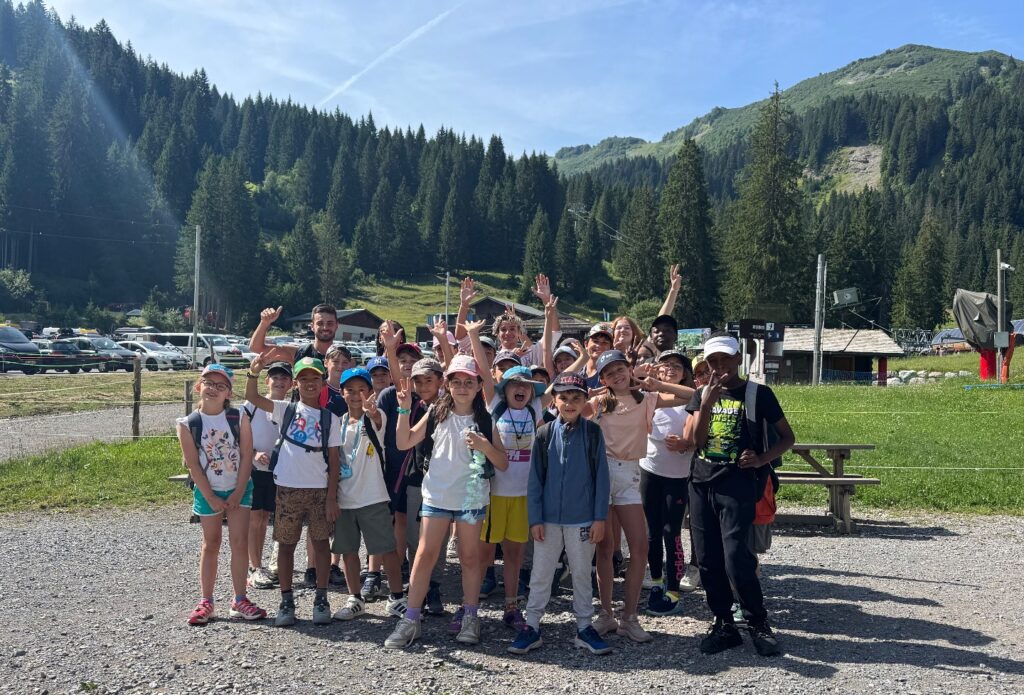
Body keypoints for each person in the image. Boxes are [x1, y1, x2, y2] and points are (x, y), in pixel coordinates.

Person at [385, 355, 507, 649]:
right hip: (437, 495)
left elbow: (502, 462)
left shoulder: (485, 419)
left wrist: (484, 445)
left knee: (469, 557)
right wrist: (403, 409)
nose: (462, 387)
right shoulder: (436, 411)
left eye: (469, 382)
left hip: (470, 498)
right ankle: (411, 619)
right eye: (456, 382)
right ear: (447, 385)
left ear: (479, 385)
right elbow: (404, 442)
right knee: (425, 554)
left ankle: (470, 616)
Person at [684, 333, 794, 657]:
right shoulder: (701, 394)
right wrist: (704, 404)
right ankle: (723, 623)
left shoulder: (758, 394)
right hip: (702, 483)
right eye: (712, 362)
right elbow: (695, 441)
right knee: (707, 558)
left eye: (725, 360)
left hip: (739, 485)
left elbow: (788, 437)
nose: (720, 367)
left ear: (738, 360)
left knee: (736, 557)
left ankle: (758, 621)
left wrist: (762, 458)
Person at [584, 349, 694, 643]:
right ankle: (606, 614)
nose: (617, 376)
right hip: (603, 473)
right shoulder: (599, 403)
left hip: (631, 473)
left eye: (621, 369)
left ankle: (629, 617)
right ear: (604, 379)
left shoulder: (648, 399)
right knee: (605, 549)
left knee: (640, 548)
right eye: (609, 373)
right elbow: (565, 415)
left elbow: (691, 396)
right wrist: (586, 394)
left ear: (630, 369)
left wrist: (658, 385)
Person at [508, 372, 611, 656]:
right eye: (563, 397)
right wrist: (535, 518)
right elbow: (535, 480)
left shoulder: (593, 433)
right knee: (541, 573)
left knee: (580, 573)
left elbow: (602, 478)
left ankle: (584, 627)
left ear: (585, 400)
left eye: (576, 397)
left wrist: (599, 517)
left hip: (583, 519)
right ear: (554, 400)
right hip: (549, 520)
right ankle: (531, 626)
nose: (569, 403)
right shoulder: (543, 433)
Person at [465, 318, 550, 633]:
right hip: (494, 492)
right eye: (515, 384)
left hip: (523, 494)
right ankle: (469, 606)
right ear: (505, 388)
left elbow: (558, 380)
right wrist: (474, 336)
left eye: (526, 386)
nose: (520, 390)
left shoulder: (535, 409)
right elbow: (485, 373)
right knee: (484, 552)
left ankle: (511, 605)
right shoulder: (496, 403)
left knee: (514, 552)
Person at [244, 355, 341, 627]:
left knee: (321, 545)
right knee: (286, 545)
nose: (310, 383)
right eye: (304, 378)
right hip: (287, 487)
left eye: (315, 378)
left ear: (323, 382)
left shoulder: (330, 418)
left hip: (319, 490)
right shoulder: (283, 409)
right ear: (296, 383)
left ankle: (321, 598)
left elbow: (334, 461)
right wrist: (253, 373)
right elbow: (252, 396)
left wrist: (332, 497)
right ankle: (286, 600)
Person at [177, 364, 266, 624]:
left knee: (239, 543)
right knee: (211, 543)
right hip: (208, 490)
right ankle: (206, 601)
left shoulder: (239, 418)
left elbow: (247, 454)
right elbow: (193, 464)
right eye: (209, 383)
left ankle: (240, 599)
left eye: (221, 386)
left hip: (240, 487)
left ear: (229, 392)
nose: (213, 389)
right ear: (198, 387)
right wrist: (212, 497)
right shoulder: (187, 424)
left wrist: (239, 491)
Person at [330, 367, 408, 622]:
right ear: (342, 393)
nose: (355, 395)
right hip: (344, 498)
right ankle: (355, 598)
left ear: (370, 392)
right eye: (350, 390)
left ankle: (396, 598)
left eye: (361, 389)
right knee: (348, 551)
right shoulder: (337, 423)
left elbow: (376, 418)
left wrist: (371, 411)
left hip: (374, 496)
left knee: (387, 550)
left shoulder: (378, 417)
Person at [639, 349, 696, 616]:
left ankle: (673, 588)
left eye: (676, 365)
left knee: (671, 531)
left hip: (678, 475)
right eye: (664, 365)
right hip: (650, 469)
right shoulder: (652, 397)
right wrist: (648, 382)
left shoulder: (692, 396)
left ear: (686, 372)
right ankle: (657, 580)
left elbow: (696, 399)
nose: (669, 368)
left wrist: (687, 443)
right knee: (651, 530)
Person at [243, 361, 293, 591]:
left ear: (291, 384)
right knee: (256, 519)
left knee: (268, 519)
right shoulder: (251, 406)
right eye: (275, 377)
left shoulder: (292, 407)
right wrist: (254, 453)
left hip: (279, 471)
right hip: (254, 470)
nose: (280, 382)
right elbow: (238, 436)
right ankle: (254, 567)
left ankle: (265, 564)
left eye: (284, 378)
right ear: (267, 381)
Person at [250, 304, 338, 364]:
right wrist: (264, 323)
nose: (325, 328)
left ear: (336, 326)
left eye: (330, 323)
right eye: (320, 323)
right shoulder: (298, 353)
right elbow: (256, 348)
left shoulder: (345, 359)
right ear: (312, 326)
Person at [637, 265, 682, 361]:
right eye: (638, 357)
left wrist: (674, 290)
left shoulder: (645, 346)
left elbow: (662, 318)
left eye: (645, 357)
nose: (641, 360)